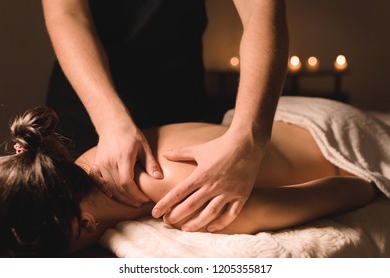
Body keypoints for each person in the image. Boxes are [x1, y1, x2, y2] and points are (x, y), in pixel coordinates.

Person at [1, 96, 384, 257]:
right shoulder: (93, 157)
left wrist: (371, 187)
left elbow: (347, 188)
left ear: (83, 225)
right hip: (282, 111)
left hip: (332, 136)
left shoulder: (191, 199)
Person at [40, 0, 289, 232]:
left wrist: (249, 139)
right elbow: (67, 14)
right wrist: (110, 121)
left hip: (176, 92)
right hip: (87, 101)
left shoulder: (166, 173)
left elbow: (260, 10)